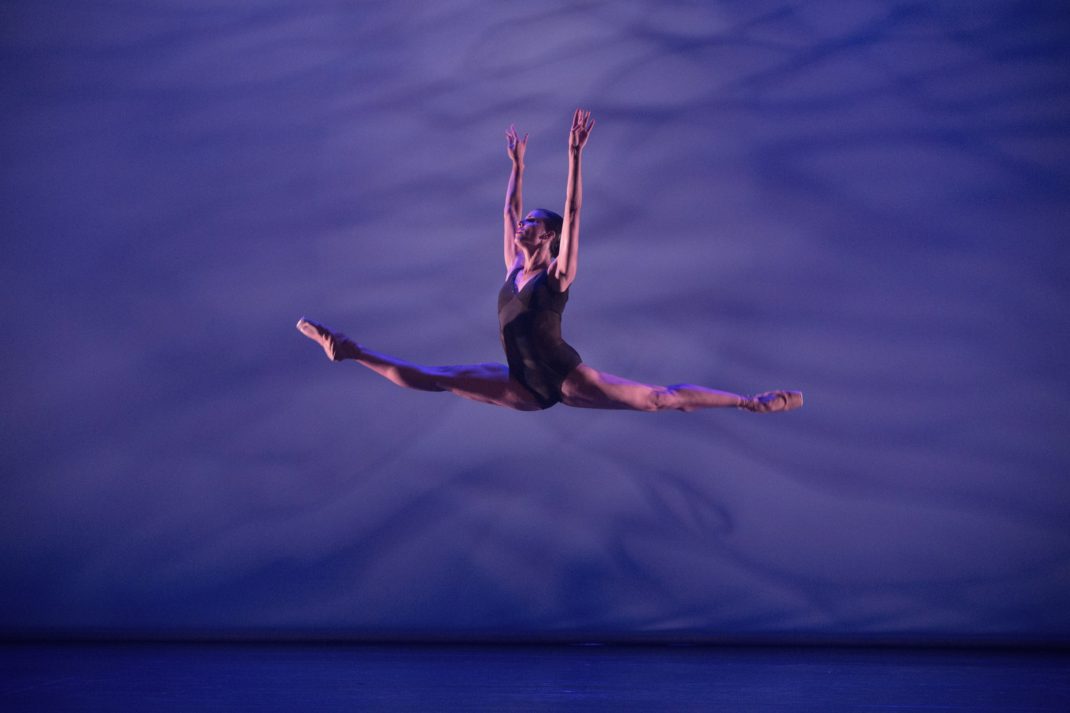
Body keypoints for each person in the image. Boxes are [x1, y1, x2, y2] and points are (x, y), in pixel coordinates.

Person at [298, 109, 802, 414]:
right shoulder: (511, 266)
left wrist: (574, 156)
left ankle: (750, 401)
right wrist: (516, 167)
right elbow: (507, 209)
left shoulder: (557, 275)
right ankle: (350, 351)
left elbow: (576, 209)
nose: (521, 226)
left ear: (551, 237)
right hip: (520, 384)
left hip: (563, 376)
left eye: (532, 224)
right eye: (523, 223)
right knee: (439, 378)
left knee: (658, 399)